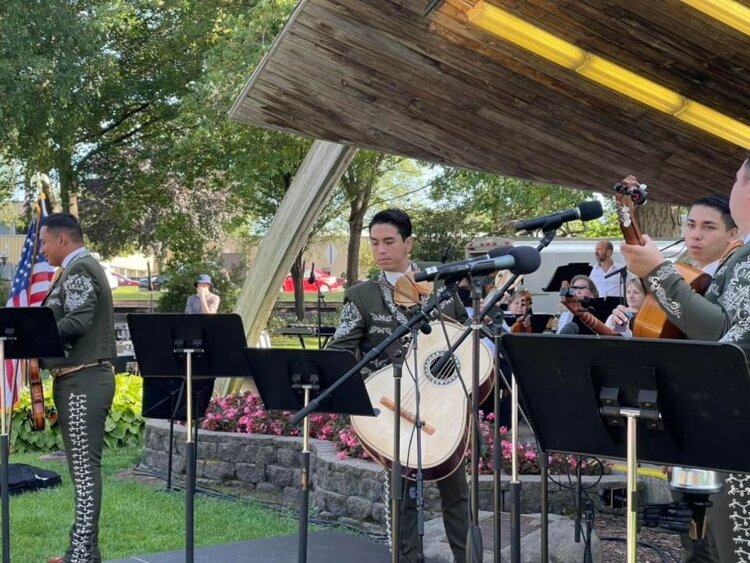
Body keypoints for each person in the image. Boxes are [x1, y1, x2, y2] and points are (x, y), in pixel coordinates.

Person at [615, 161, 750, 563]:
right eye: (691, 224)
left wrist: (657, 271)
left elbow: (724, 337)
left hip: (736, 434)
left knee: (733, 549)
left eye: (739, 178)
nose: (695, 234)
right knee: (703, 540)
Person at [327, 208, 470, 563]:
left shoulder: (441, 290)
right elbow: (340, 353)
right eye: (374, 243)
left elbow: (467, 343)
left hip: (443, 406)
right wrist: (373, 391)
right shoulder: (361, 295)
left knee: (457, 493)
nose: (380, 250)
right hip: (393, 407)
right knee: (402, 497)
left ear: (408, 242)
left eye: (388, 242)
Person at [38, 213, 116, 563]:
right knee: (81, 471)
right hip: (76, 379)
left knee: (85, 473)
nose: (42, 248)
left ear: (62, 240)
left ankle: (82, 556)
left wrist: (34, 339)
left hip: (84, 381)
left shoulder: (80, 268)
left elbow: (78, 321)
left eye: (44, 242)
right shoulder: (77, 268)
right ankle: (83, 552)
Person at [683, 194, 739, 275]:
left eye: (708, 227)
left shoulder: (735, 279)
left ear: (732, 234)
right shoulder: (684, 273)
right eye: (691, 225)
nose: (696, 235)